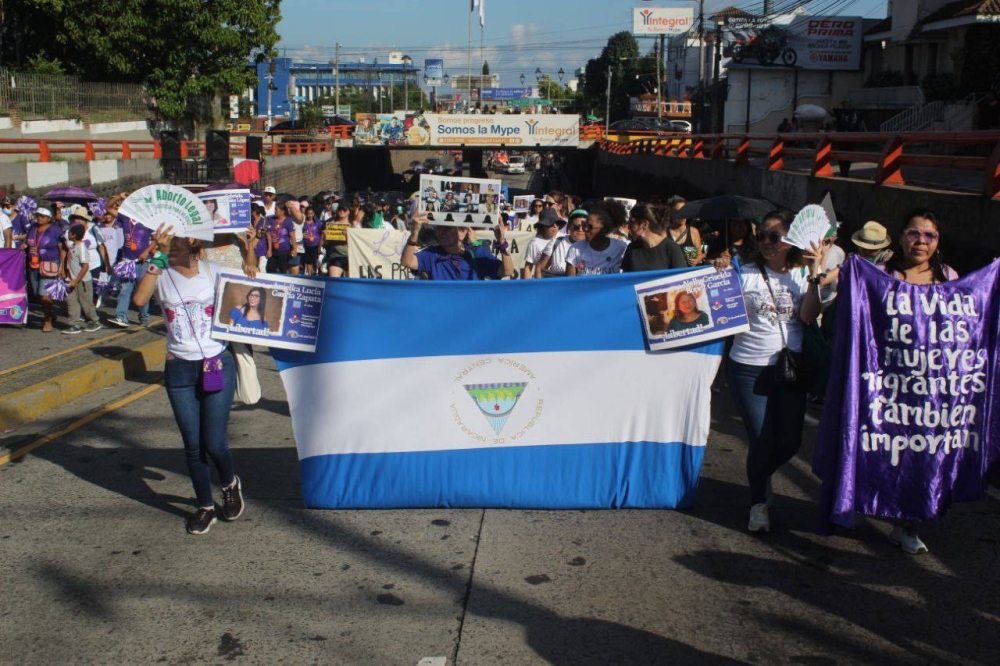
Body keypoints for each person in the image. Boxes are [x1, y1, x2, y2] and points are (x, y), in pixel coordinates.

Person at [131, 224, 246, 535]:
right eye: (163, 239)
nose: (170, 243)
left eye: (175, 239)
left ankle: (229, 482)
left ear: (192, 240)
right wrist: (157, 256)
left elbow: (247, 300)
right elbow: (139, 301)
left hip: (215, 362)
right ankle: (205, 506)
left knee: (214, 442)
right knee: (193, 445)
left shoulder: (212, 270)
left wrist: (249, 259)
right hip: (179, 368)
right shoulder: (158, 272)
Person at [716, 208, 825, 534]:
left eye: (774, 237)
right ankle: (758, 503)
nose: (765, 242)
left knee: (790, 442)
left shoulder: (802, 275)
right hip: (747, 368)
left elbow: (808, 316)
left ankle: (760, 475)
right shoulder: (743, 271)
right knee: (762, 438)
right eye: (761, 235)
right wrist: (718, 270)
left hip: (789, 368)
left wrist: (816, 271)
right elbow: (716, 305)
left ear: (789, 240)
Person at [877, 209, 956, 554]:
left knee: (922, 454)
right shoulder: (879, 274)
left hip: (930, 385)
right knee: (880, 447)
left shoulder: (950, 277)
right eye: (913, 233)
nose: (921, 241)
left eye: (929, 235)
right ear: (900, 236)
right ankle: (867, 500)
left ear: (938, 242)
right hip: (885, 381)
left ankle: (907, 523)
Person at [401, 216, 514, 281]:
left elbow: (507, 271)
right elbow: (407, 262)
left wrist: (502, 242)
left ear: (462, 233)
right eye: (439, 228)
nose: (441, 232)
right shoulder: (431, 253)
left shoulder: (476, 253)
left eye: (447, 228)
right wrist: (415, 233)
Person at [111, 200, 156, 328]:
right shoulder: (125, 218)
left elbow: (156, 239)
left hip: (143, 261)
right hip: (128, 262)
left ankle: (144, 317)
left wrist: (146, 252)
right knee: (125, 290)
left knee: (141, 291)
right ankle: (121, 316)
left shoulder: (148, 220)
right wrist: (117, 197)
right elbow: (108, 208)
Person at [26, 207, 65, 332]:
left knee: (45, 296)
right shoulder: (32, 227)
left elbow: (62, 248)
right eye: (37, 215)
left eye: (42, 216)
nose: (39, 218)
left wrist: (62, 266)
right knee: (38, 294)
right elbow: (28, 242)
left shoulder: (55, 230)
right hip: (33, 265)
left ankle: (47, 320)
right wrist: (23, 246)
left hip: (49, 264)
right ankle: (51, 314)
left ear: (49, 218)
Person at [621, 203, 688, 272]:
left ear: (644, 224)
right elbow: (625, 279)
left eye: (632, 222)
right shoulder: (632, 248)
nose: (628, 227)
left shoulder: (671, 248)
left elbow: (681, 279)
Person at [62, 224, 102, 334]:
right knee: (71, 302)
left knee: (86, 302)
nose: (68, 234)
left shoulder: (81, 248)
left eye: (69, 232)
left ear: (74, 235)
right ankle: (74, 324)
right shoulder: (73, 246)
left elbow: (85, 267)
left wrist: (76, 281)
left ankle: (94, 321)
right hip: (71, 280)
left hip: (82, 281)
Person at [565, 207, 628, 276]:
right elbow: (569, 283)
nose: (585, 229)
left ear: (604, 229)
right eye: (585, 225)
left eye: (590, 226)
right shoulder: (575, 249)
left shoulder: (621, 248)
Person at [536, 209, 588, 277]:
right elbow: (539, 269)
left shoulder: (593, 246)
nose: (580, 230)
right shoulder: (556, 242)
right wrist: (541, 286)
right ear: (569, 226)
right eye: (576, 227)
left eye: (584, 227)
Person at [522, 208, 564, 279]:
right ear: (543, 225)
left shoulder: (564, 238)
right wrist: (528, 286)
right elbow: (528, 267)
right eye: (550, 223)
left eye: (557, 223)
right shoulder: (534, 243)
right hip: (542, 280)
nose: (555, 226)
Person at [667, 201, 704, 266]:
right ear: (671, 213)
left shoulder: (694, 231)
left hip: (689, 274)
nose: (683, 215)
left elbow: (700, 254)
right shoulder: (664, 233)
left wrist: (696, 260)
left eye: (685, 211)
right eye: (679, 211)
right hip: (673, 274)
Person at [265, 202, 297, 274]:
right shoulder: (270, 219)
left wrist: (295, 249)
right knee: (270, 269)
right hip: (274, 251)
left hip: (284, 251)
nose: (274, 211)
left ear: (282, 211)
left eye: (276, 209)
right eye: (274, 209)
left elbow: (292, 236)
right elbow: (268, 235)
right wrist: (269, 249)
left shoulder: (288, 221)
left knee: (283, 270)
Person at [324, 203, 353, 277]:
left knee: (350, 283)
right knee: (334, 281)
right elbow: (326, 243)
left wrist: (349, 236)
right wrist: (325, 236)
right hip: (336, 256)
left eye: (344, 210)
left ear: (349, 211)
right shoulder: (331, 224)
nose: (342, 211)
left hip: (352, 257)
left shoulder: (353, 225)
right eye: (340, 209)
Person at [301, 206, 322, 275]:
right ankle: (309, 274)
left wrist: (320, 245)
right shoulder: (304, 223)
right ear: (306, 214)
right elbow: (301, 232)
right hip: (307, 244)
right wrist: (303, 235)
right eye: (308, 213)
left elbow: (321, 233)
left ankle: (317, 273)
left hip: (315, 244)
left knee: (316, 260)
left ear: (314, 214)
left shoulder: (318, 222)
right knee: (308, 261)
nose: (310, 215)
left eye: (311, 213)